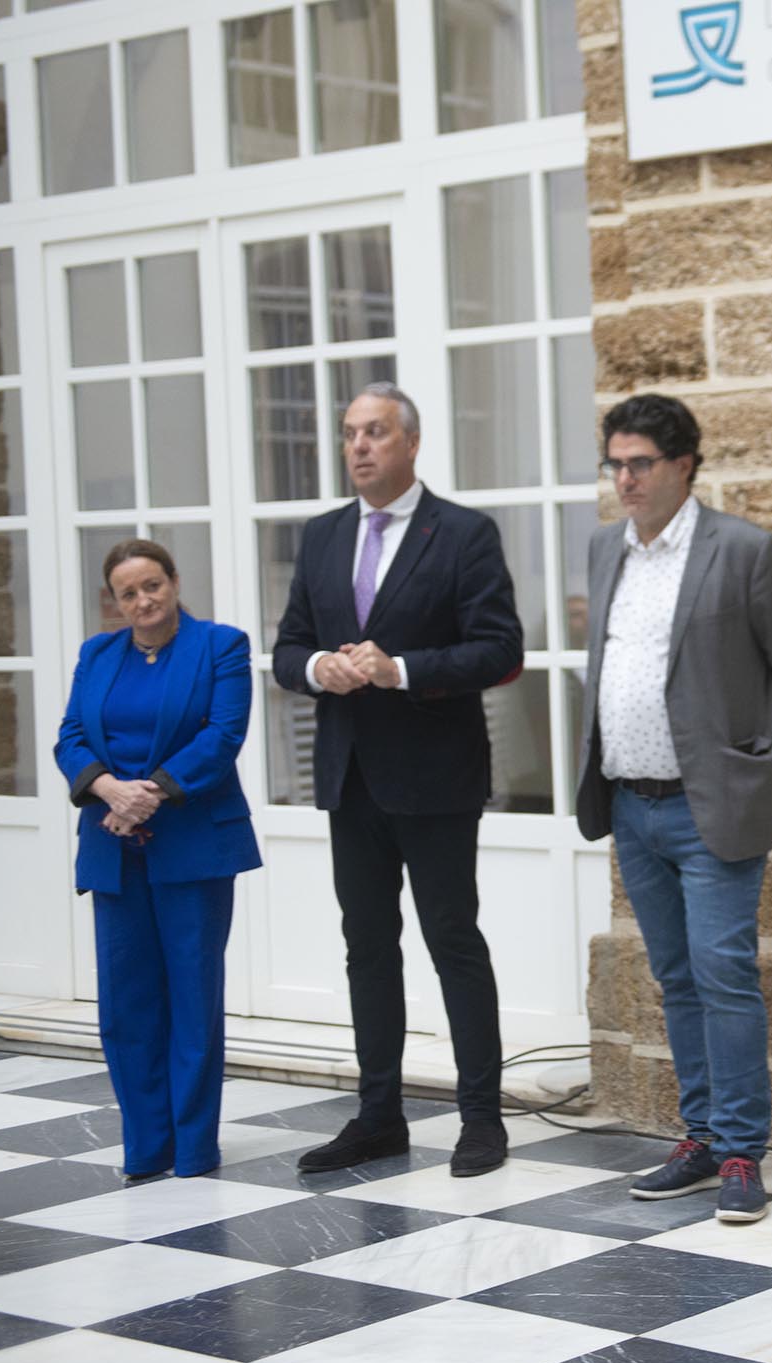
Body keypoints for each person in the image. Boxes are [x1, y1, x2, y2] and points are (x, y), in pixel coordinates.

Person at [574, 393, 772, 1223]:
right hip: (630, 804)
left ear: (684, 465)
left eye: (641, 463)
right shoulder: (605, 550)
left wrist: (750, 760)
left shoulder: (745, 552)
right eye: (616, 464)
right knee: (676, 977)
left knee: (724, 974)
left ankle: (744, 1152)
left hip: (707, 806)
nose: (626, 479)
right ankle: (703, 1135)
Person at [272, 383, 523, 1178]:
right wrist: (320, 668)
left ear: (410, 443)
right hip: (349, 777)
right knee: (366, 948)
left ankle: (481, 1118)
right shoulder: (319, 538)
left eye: (375, 432)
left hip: (436, 779)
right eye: (349, 433)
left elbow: (500, 650)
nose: (359, 447)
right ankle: (378, 1116)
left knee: (453, 941)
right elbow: (287, 650)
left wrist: (400, 669)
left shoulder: (463, 534)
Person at [53, 539, 261, 1181]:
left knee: (192, 998)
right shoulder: (97, 653)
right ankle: (146, 1145)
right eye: (128, 593)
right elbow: (70, 737)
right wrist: (107, 787)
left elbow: (222, 736)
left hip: (193, 845)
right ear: (112, 603)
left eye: (152, 586)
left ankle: (194, 1147)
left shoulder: (220, 646)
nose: (143, 601)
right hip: (111, 845)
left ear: (174, 581)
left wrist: (149, 794)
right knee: (126, 1004)